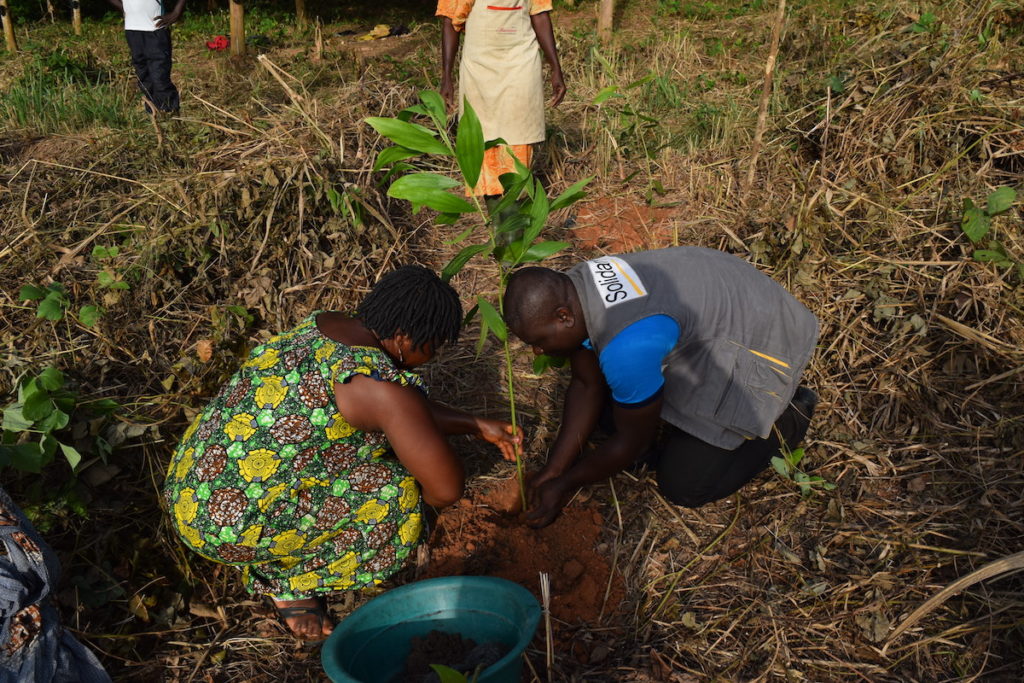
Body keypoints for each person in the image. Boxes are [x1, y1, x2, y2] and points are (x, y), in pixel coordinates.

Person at [164, 266, 520, 640]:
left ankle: (277, 541)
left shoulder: (325, 326)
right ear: (403, 337)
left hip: (191, 487)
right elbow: (446, 488)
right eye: (433, 345)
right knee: (395, 493)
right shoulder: (380, 390)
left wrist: (475, 425)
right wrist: (422, 512)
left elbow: (399, 409)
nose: (432, 356)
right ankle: (288, 582)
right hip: (223, 530)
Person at [502, 247, 820, 528]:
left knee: (684, 485)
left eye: (539, 341)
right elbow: (586, 383)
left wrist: (566, 483)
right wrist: (554, 468)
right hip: (730, 299)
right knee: (612, 414)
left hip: (766, 337)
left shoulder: (625, 348)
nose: (537, 352)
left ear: (563, 316)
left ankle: (790, 416)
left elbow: (631, 441)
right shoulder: (576, 284)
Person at [436, 0, 566, 200]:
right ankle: (498, 222)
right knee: (482, 140)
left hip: (521, 62)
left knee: (519, 135)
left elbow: (540, 15)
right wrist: (446, 77)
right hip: (479, 67)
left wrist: (555, 68)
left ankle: (515, 212)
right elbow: (450, 21)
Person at [107, 0, 185, 114]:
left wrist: (177, 12)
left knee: (159, 76)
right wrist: (124, 8)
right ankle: (153, 114)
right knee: (143, 76)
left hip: (155, 30)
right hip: (132, 30)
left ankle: (170, 115)